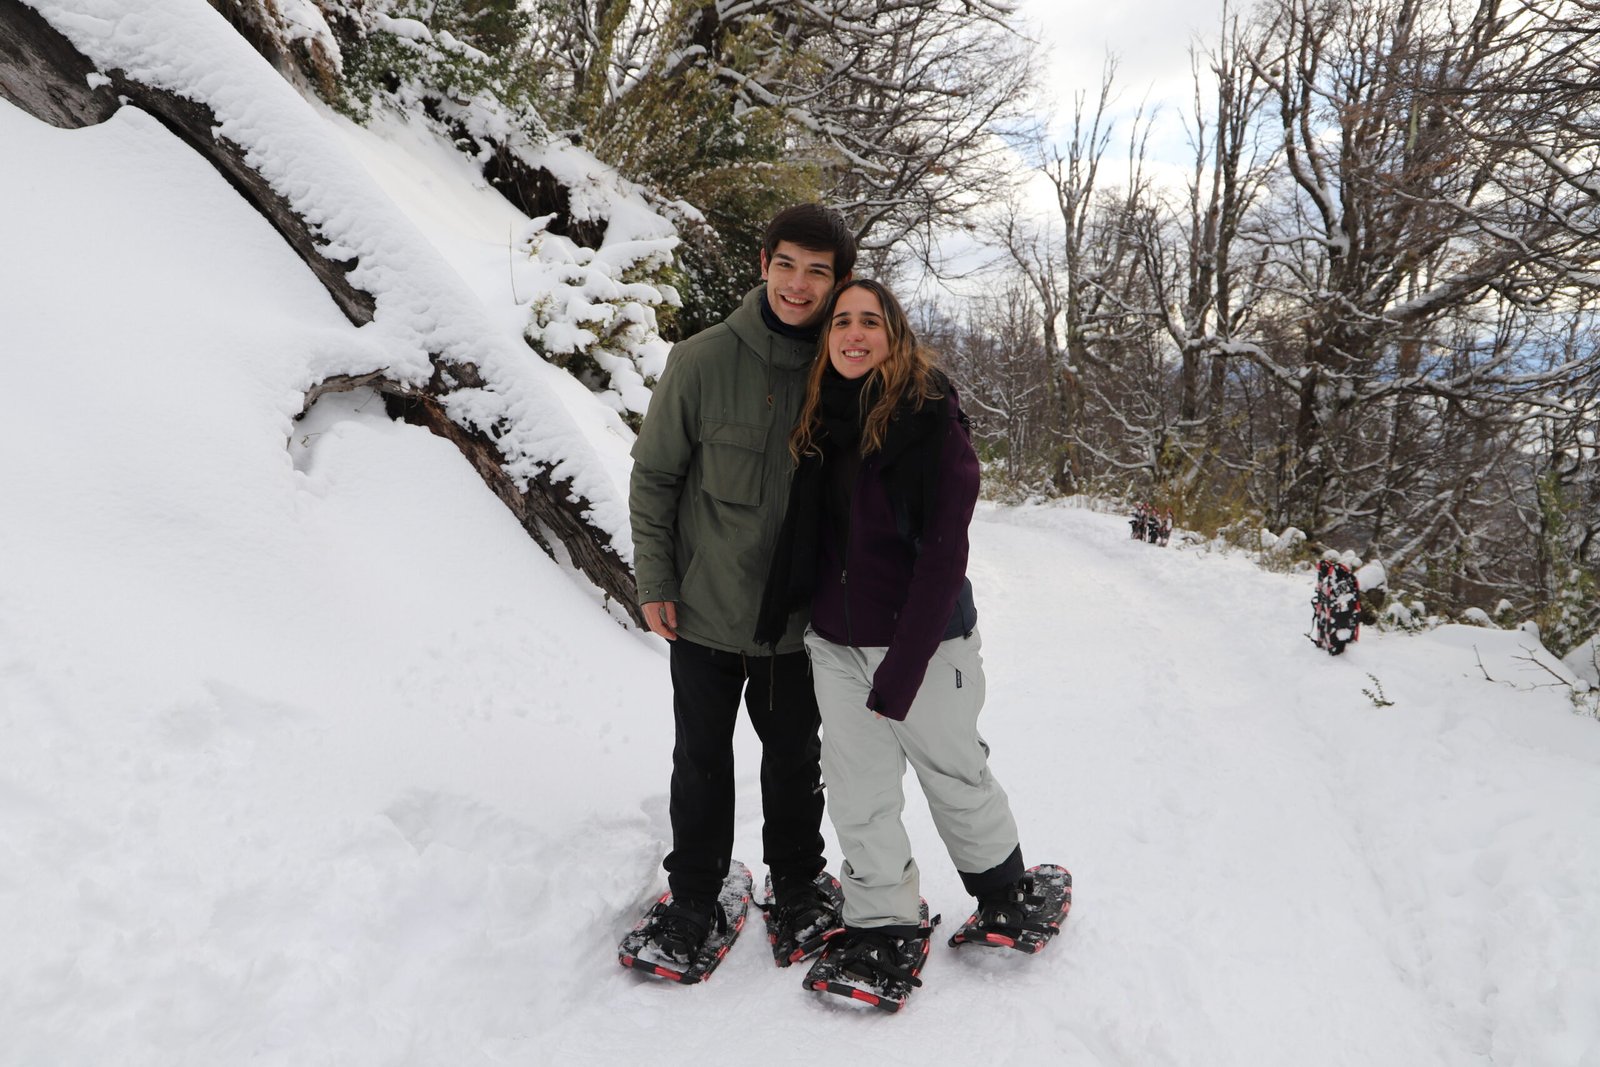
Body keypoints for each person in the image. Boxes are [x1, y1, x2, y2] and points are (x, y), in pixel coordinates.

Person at [757, 278, 1052, 990]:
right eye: (841, 323)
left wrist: (904, 666)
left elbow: (944, 557)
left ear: (894, 336)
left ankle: (1004, 891)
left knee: (953, 774)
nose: (853, 334)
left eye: (870, 321)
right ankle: (882, 921)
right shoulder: (820, 418)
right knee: (857, 792)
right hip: (836, 644)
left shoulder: (931, 423)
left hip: (928, 643)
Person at [628, 203, 856, 967]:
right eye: (786, 263)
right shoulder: (701, 360)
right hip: (703, 610)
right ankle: (694, 894)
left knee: (794, 760)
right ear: (763, 263)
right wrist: (656, 578)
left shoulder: (849, 372)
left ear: (838, 281)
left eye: (817, 271)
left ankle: (797, 885)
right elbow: (655, 478)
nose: (798, 284)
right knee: (700, 758)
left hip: (798, 621)